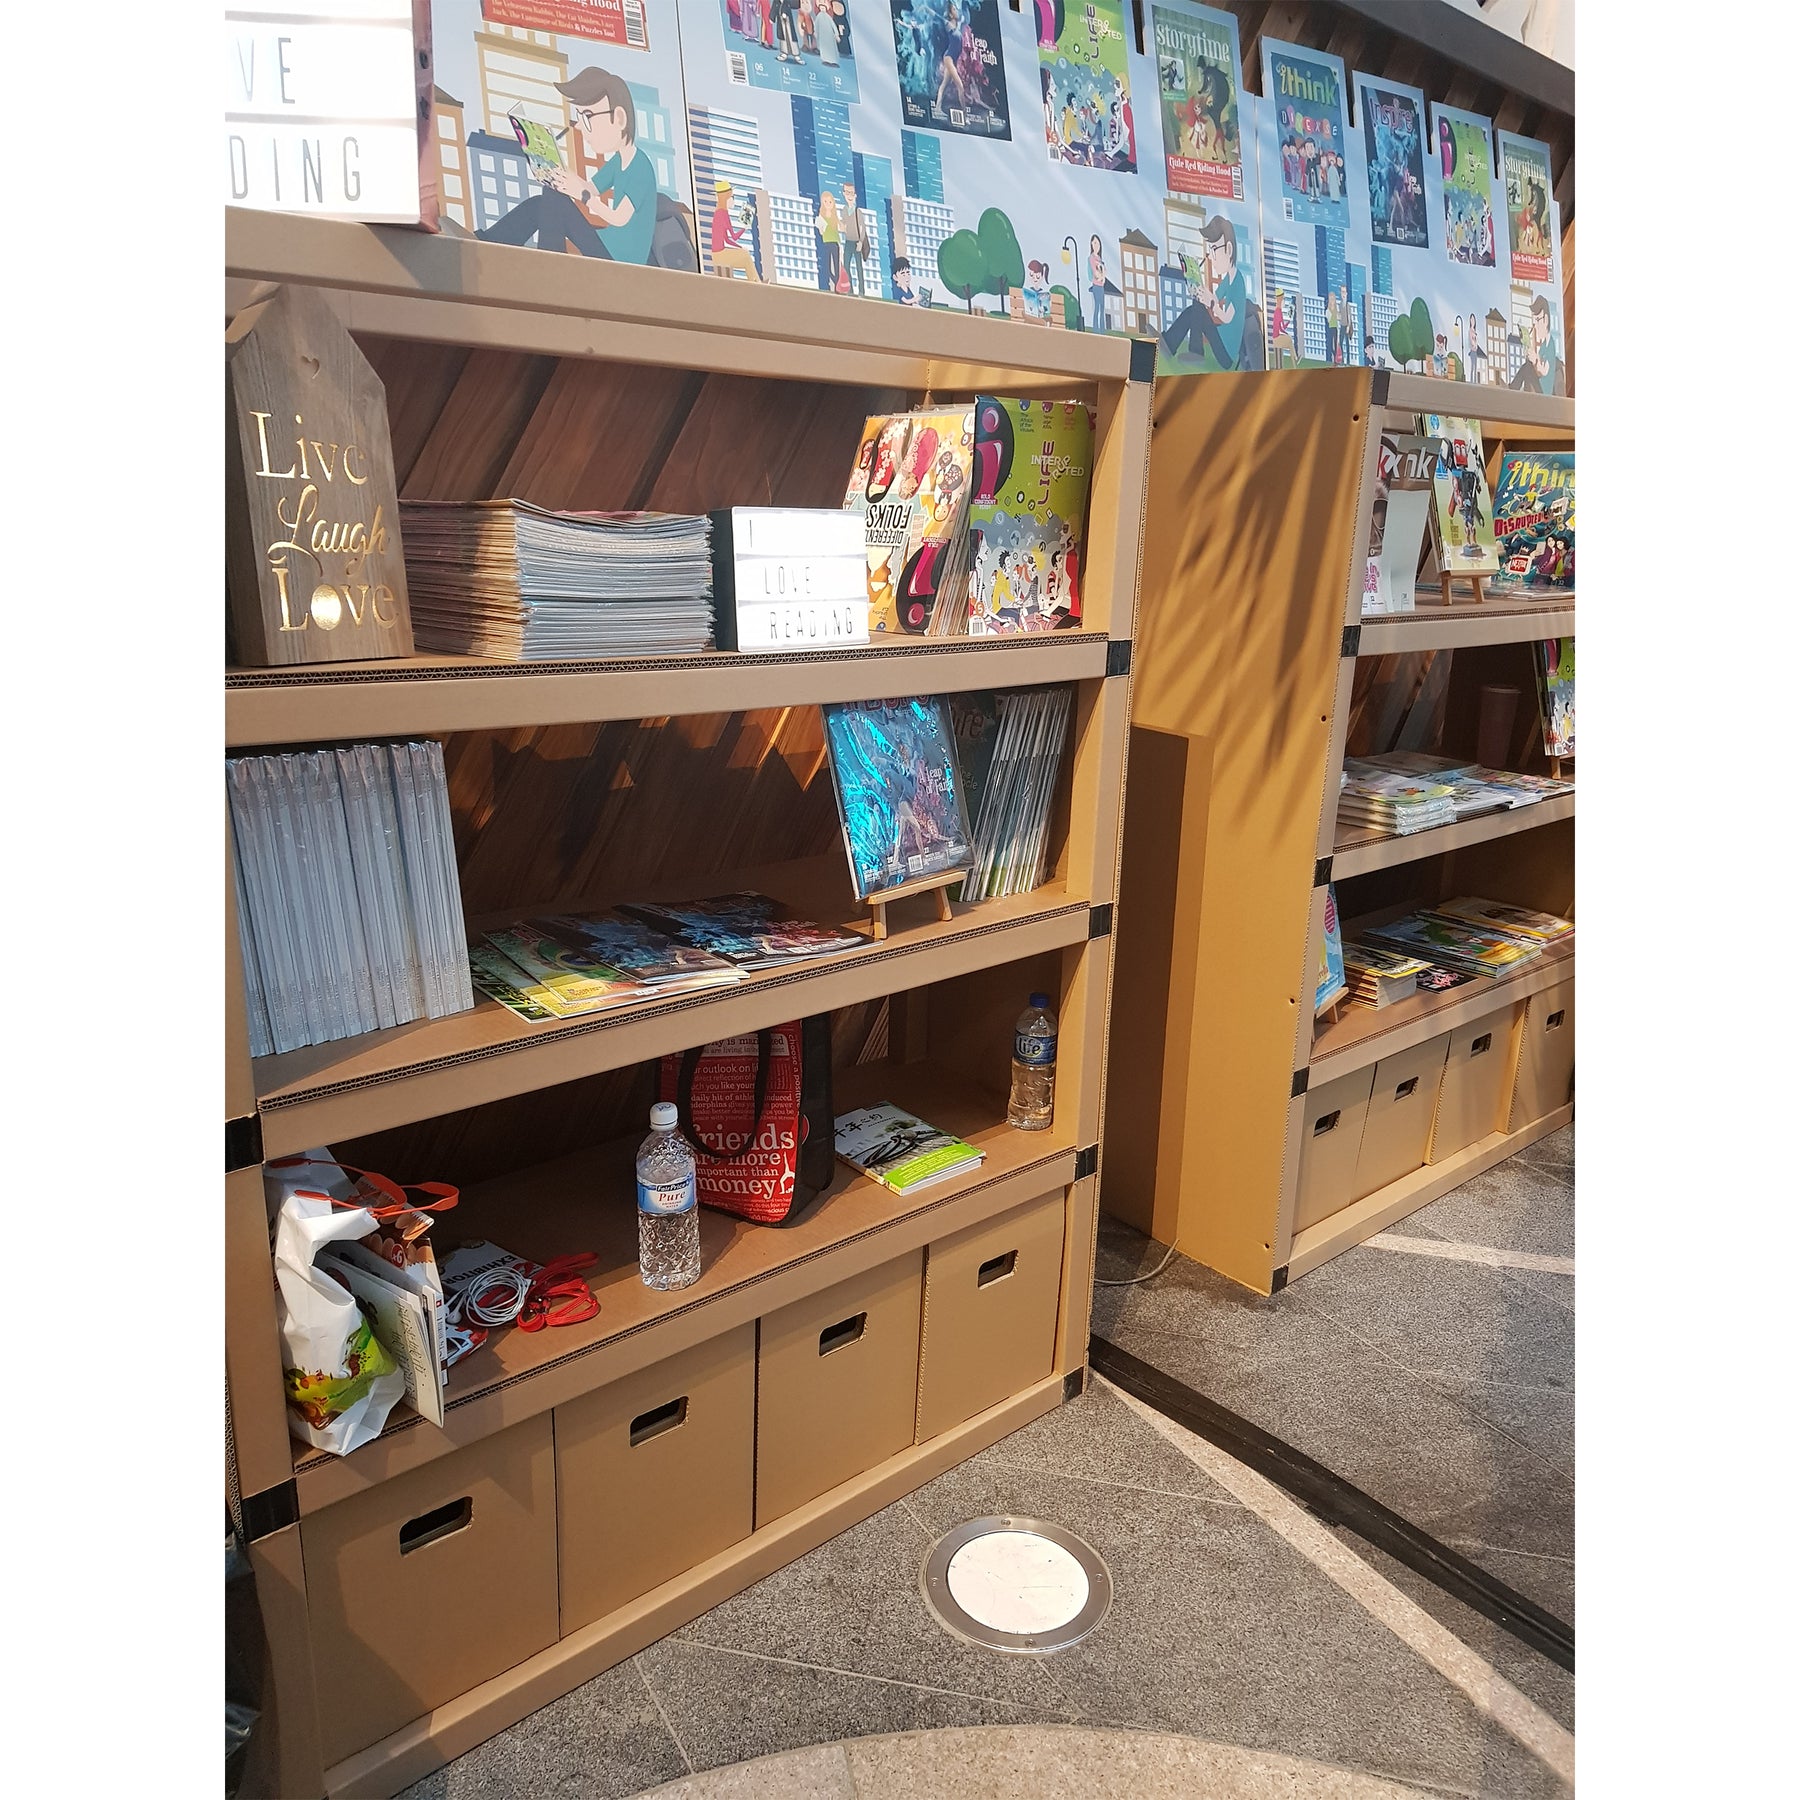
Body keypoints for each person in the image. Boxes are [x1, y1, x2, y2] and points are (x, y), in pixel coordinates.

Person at [477, 66, 658, 263]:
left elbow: (619, 218)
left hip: (621, 260)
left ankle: (552, 263)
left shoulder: (640, 166)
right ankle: (488, 242)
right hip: (607, 244)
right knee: (541, 203)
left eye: (587, 117)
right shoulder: (618, 161)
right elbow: (592, 188)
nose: (580, 126)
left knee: (553, 198)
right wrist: (563, 176)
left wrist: (581, 195)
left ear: (620, 118)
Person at [1160, 214, 1247, 369]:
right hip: (1221, 338)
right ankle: (1168, 344)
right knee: (1194, 308)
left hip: (1226, 353)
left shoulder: (1238, 282)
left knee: (1197, 308)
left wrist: (1211, 304)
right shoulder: (1228, 279)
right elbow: (1215, 297)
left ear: (1229, 249)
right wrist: (1200, 291)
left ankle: (1194, 352)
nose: (1211, 257)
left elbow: (1227, 317)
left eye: (1214, 250)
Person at [1508, 293, 1565, 394]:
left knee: (1528, 367)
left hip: (1549, 392)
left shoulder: (1550, 344)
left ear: (1546, 320)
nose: (1536, 326)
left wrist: (1535, 361)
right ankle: (1512, 389)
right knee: (1527, 366)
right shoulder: (1544, 345)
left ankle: (1512, 389)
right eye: (1535, 322)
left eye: (1538, 320)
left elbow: (1543, 371)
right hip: (1544, 388)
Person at [707, 180, 762, 280]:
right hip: (720, 255)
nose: (733, 200)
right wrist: (744, 229)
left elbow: (728, 239)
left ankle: (755, 281)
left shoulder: (720, 213)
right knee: (745, 255)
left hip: (717, 254)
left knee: (745, 255)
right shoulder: (722, 214)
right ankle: (755, 282)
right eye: (732, 197)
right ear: (726, 198)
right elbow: (733, 237)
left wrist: (740, 246)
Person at [814, 189, 841, 291]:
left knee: (837, 268)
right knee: (828, 268)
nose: (828, 204)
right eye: (825, 202)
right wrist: (821, 227)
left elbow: (839, 229)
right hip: (826, 243)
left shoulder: (835, 216)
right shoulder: (821, 216)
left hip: (835, 243)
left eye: (830, 202)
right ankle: (836, 283)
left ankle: (838, 288)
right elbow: (821, 232)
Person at [1087, 235, 1108, 331]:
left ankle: (1102, 330)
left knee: (1102, 308)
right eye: (1095, 243)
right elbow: (1096, 274)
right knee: (1097, 308)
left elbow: (1104, 275)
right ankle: (1096, 329)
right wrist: (1101, 275)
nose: (1097, 245)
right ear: (1091, 244)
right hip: (1096, 286)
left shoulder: (1099, 258)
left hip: (1101, 286)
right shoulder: (1091, 258)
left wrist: (1102, 275)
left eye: (1098, 243)